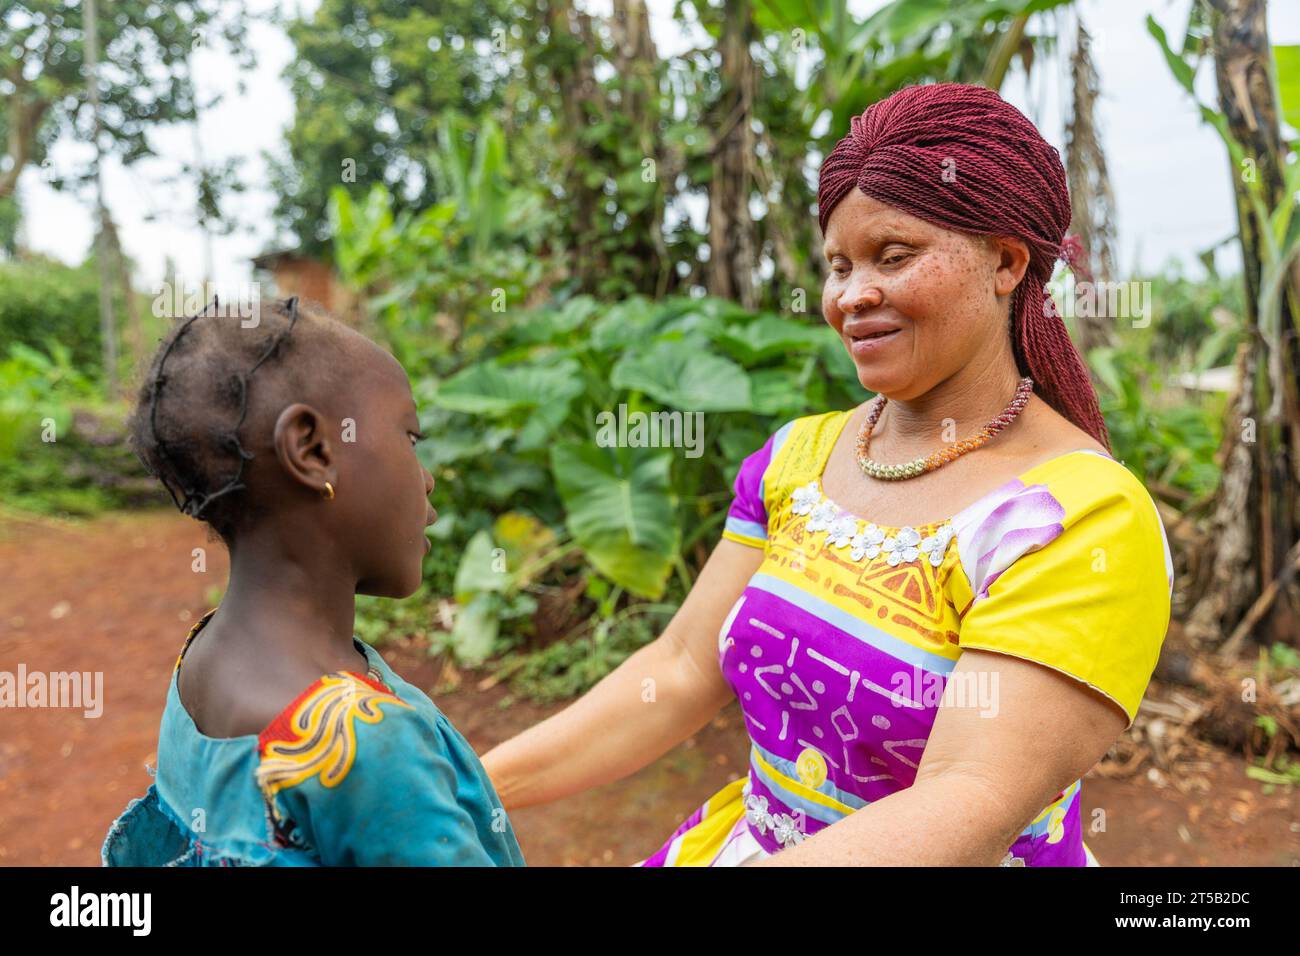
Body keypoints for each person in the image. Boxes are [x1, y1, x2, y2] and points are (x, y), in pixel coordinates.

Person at [481, 83, 1173, 866]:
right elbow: (677, 671)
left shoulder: (1077, 517)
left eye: (894, 256)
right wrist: (469, 789)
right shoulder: (797, 459)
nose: (851, 297)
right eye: (837, 265)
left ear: (1007, 261)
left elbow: (966, 801)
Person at [101, 297, 524, 867]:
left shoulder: (199, 664)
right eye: (410, 438)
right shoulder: (369, 744)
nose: (425, 480)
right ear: (313, 450)